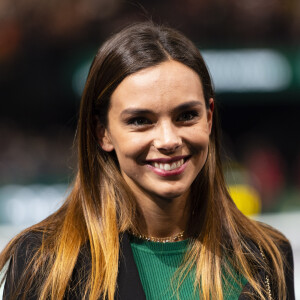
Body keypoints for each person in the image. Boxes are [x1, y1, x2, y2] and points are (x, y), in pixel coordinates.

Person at [0, 22, 295, 300]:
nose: (168, 140)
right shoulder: (44, 261)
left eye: (186, 116)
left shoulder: (267, 254)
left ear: (209, 118)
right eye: (141, 120)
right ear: (102, 133)